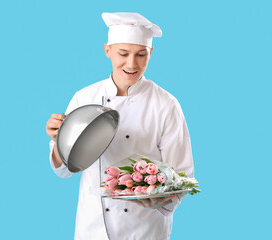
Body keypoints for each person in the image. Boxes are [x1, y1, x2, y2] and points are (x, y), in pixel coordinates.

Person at [46, 12, 194, 240]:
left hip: (144, 229)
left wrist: (161, 198)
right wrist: (59, 140)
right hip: (91, 229)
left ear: (151, 53)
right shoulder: (85, 97)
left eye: (141, 55)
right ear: (107, 50)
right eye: (123, 54)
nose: (131, 64)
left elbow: (182, 173)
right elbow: (65, 169)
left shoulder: (166, 104)